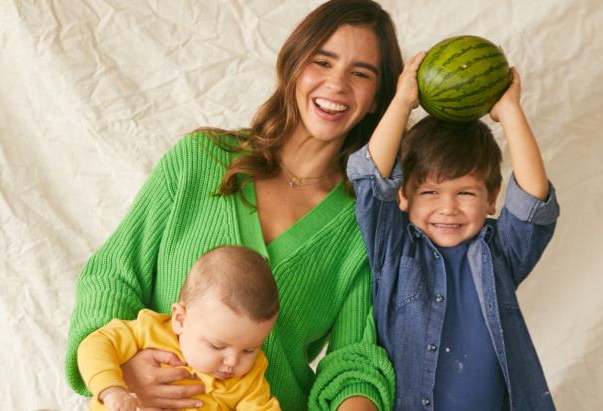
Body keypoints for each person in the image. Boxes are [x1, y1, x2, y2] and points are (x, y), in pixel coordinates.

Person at [65, 1, 404, 410]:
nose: (337, 84)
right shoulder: (198, 161)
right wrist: (120, 372)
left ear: (376, 99)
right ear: (294, 65)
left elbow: (353, 360)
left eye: (361, 72)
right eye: (323, 61)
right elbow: (113, 277)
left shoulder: (362, 222)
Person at [347, 50, 559, 410]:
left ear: (492, 198)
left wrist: (509, 111)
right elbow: (372, 180)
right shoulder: (394, 250)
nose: (448, 207)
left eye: (465, 192)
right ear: (404, 194)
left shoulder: (501, 253)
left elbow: (533, 203)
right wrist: (402, 103)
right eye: (430, 192)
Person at [77, 246, 282, 411]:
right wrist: (111, 390)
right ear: (181, 320)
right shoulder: (149, 330)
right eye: (217, 346)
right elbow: (95, 344)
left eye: (249, 350)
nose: (233, 362)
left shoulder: (250, 377)